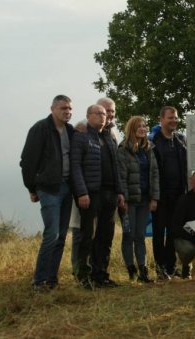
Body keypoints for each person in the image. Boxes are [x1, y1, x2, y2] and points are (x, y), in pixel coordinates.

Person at [20, 95, 74, 292]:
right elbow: (27, 161)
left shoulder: (70, 130)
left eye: (69, 108)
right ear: (52, 108)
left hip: (68, 188)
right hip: (49, 189)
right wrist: (32, 189)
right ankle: (39, 281)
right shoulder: (40, 128)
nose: (67, 112)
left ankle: (51, 279)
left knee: (61, 237)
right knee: (52, 234)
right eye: (63, 108)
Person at [71, 104, 125, 289]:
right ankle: (83, 278)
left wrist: (120, 192)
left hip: (110, 194)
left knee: (106, 236)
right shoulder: (81, 135)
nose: (103, 117)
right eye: (98, 114)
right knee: (88, 237)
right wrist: (82, 192)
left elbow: (116, 167)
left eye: (105, 114)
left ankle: (101, 274)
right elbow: (75, 166)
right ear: (88, 116)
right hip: (91, 194)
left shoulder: (109, 136)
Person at [117, 116, 160, 282]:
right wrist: (124, 199)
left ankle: (143, 271)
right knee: (129, 235)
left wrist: (154, 198)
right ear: (132, 128)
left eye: (144, 126)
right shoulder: (123, 149)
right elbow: (121, 177)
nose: (143, 129)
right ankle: (130, 269)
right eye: (139, 126)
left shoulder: (149, 148)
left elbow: (155, 174)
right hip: (129, 201)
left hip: (144, 199)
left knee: (140, 236)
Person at [152, 106, 188, 280]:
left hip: (179, 194)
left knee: (174, 232)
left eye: (175, 118)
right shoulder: (153, 141)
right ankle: (160, 270)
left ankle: (171, 267)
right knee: (159, 233)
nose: (173, 120)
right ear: (161, 120)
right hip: (160, 195)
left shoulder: (181, 140)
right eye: (170, 118)